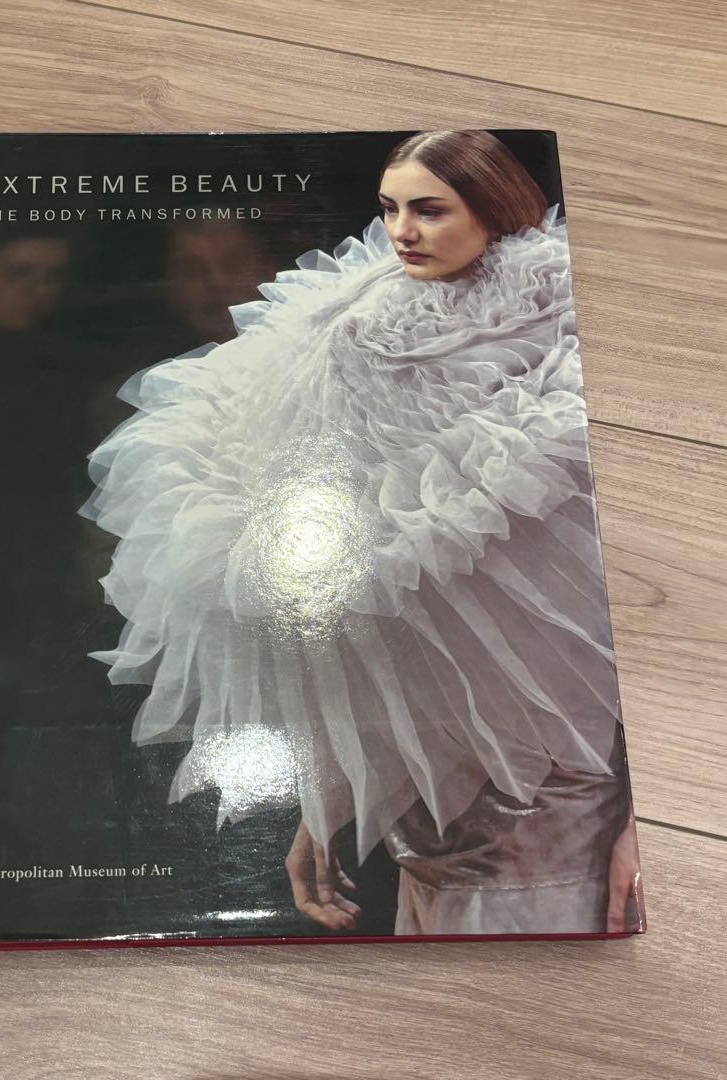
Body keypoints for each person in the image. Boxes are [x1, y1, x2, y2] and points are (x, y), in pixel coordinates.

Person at [79, 130, 644, 936]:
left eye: (429, 209)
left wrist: (647, 828)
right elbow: (382, 639)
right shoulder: (345, 330)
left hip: (563, 826)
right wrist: (329, 802)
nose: (403, 230)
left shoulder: (572, 339)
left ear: (493, 207)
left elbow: (626, 618)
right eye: (390, 209)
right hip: (432, 835)